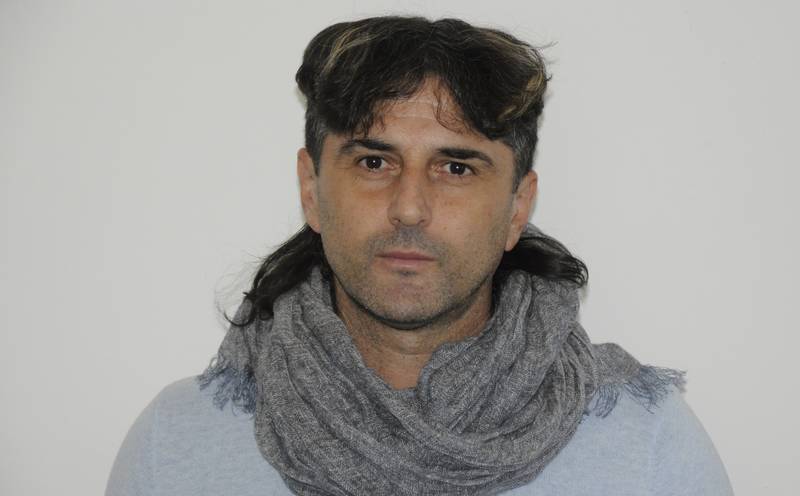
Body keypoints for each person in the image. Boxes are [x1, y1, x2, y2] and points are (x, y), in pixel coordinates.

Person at [106, 16, 733, 496]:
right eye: (373, 162)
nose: (409, 207)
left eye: (456, 167)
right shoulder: (176, 444)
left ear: (517, 207)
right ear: (311, 190)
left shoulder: (647, 446)